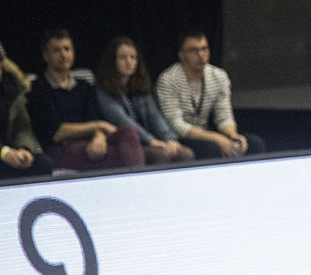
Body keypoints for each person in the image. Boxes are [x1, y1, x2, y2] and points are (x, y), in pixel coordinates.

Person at [27, 29, 144, 171]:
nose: (63, 55)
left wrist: (99, 136)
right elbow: (58, 132)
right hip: (60, 149)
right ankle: (139, 182)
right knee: (121, 156)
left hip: (91, 140)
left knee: (128, 130)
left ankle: (137, 179)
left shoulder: (84, 85)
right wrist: (98, 126)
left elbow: (95, 117)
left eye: (67, 49)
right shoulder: (38, 87)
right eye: (57, 50)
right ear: (46, 56)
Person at [155, 31, 265, 159]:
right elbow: (176, 125)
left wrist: (232, 135)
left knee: (254, 144)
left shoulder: (218, 76)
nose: (201, 55)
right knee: (212, 149)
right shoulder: (168, 79)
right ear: (182, 55)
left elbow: (224, 114)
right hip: (180, 138)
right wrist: (215, 138)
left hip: (206, 133)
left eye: (204, 49)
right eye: (194, 51)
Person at [96, 37, 193, 165]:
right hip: (125, 144)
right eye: (123, 57)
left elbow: (155, 117)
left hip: (150, 140)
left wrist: (169, 139)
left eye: (133, 57)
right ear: (113, 60)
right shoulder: (104, 89)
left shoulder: (140, 86)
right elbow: (123, 121)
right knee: (160, 155)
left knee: (185, 154)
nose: (129, 62)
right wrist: (152, 141)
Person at [0, 41, 53, 180]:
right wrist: (4, 153)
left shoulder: (12, 92)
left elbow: (22, 128)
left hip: (12, 154)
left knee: (43, 164)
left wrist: (24, 150)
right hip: (4, 154)